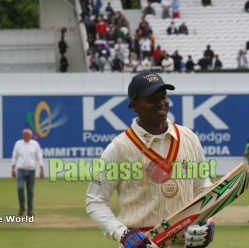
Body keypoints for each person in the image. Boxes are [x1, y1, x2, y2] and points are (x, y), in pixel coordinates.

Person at [86, 72, 215, 248]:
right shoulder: (118, 148)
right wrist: (123, 234)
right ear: (134, 105)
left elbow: (203, 190)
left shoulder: (189, 138)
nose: (161, 103)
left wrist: (206, 224)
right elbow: (95, 201)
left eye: (163, 96)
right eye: (152, 99)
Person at [11, 128, 44, 216]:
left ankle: (30, 210)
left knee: (30, 191)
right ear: (22, 135)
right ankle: (22, 207)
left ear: (31, 136)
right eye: (24, 135)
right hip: (21, 170)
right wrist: (12, 168)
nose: (26, 137)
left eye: (28, 135)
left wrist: (41, 169)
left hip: (31, 171)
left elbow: (39, 156)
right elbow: (14, 156)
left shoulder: (35, 144)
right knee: (20, 188)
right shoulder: (18, 144)